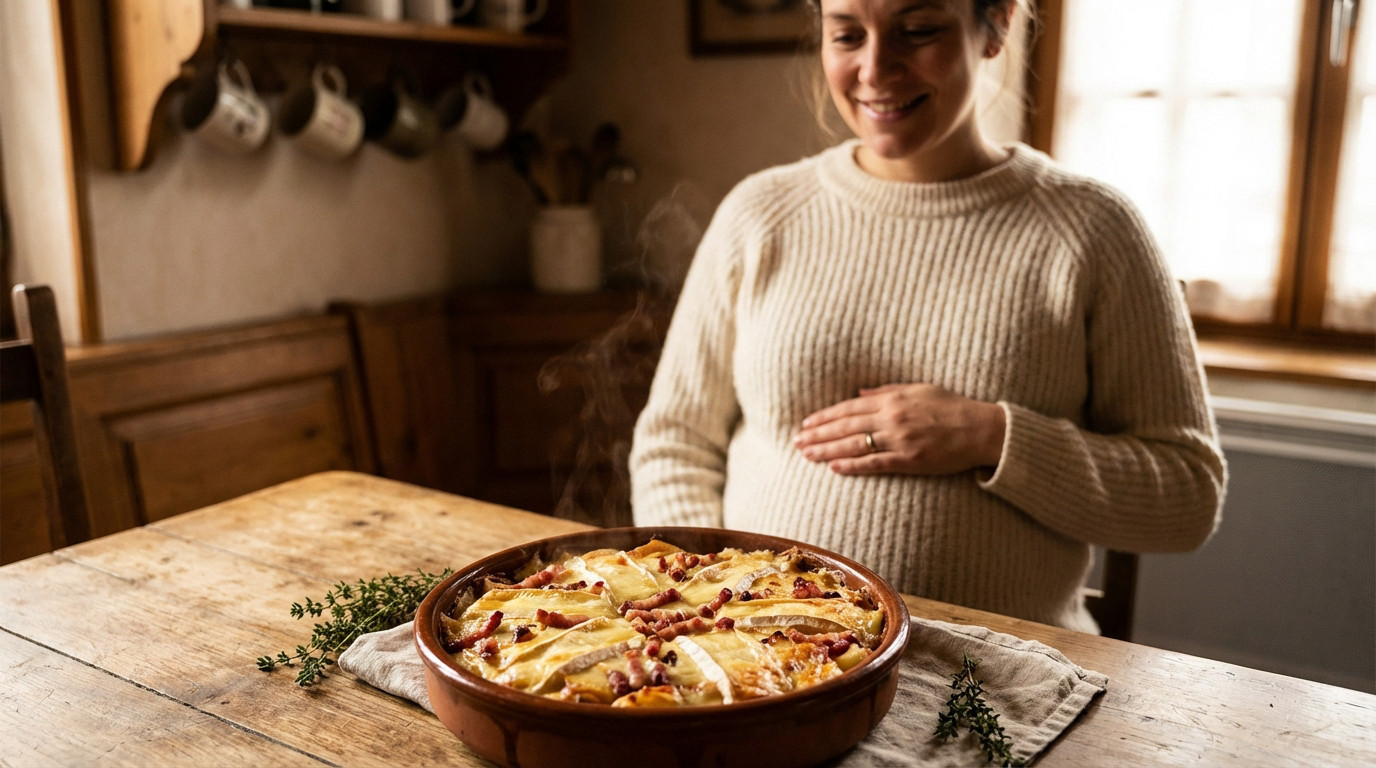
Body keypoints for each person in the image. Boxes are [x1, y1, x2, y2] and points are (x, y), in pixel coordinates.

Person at [629, 0, 1226, 633]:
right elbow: (674, 442)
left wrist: (990, 436)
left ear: (995, 25)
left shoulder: (1094, 230)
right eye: (847, 34)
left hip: (996, 679)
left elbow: (1187, 495)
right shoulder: (760, 214)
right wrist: (703, 598)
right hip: (761, 665)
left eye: (918, 31)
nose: (876, 69)